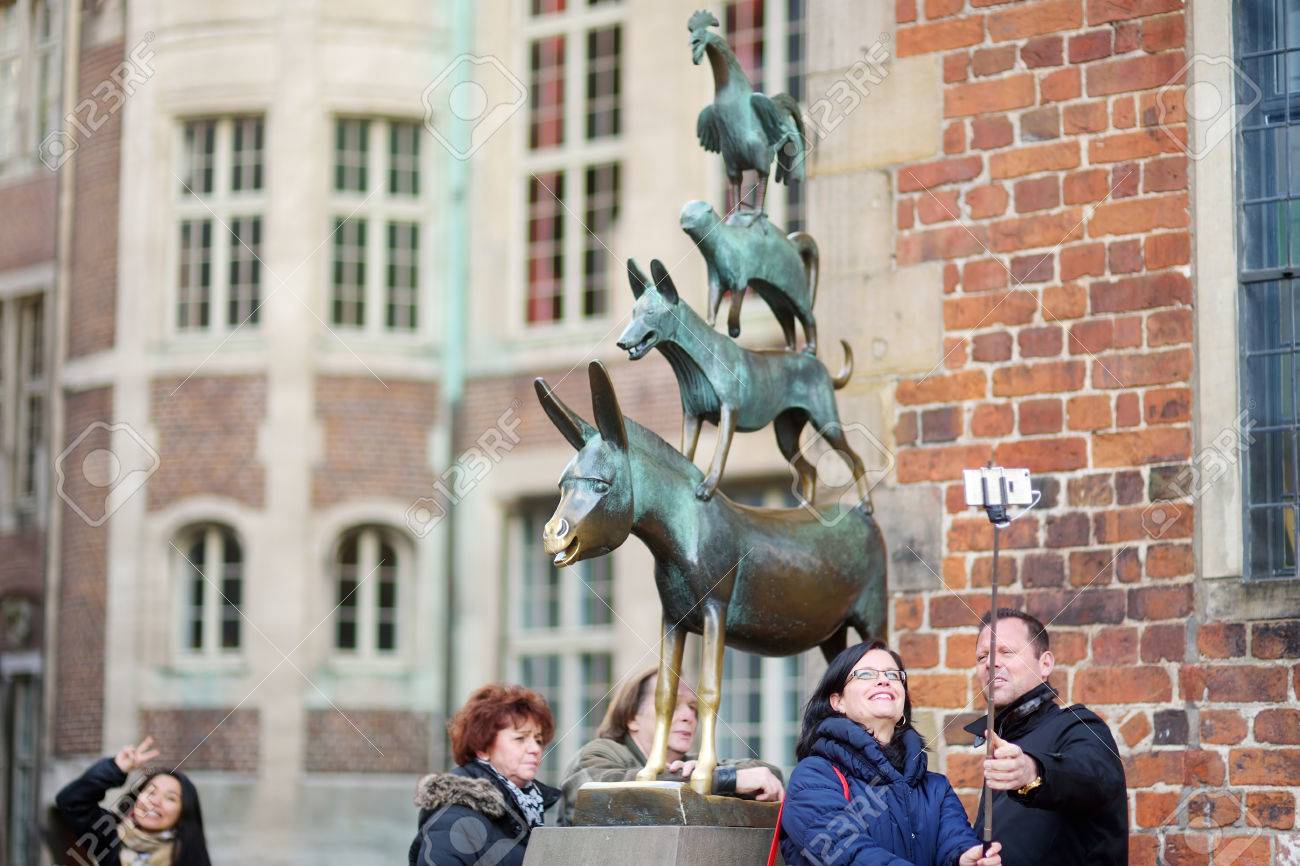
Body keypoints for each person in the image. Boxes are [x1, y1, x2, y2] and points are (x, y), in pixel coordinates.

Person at [778, 641, 1001, 866]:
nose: (884, 680)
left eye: (893, 675)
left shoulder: (936, 788)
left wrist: (965, 859)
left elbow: (955, 842)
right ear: (838, 702)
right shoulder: (814, 777)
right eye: (865, 674)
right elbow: (848, 854)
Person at [963, 608, 1127, 866]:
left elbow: (1095, 777)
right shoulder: (1002, 737)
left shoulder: (1078, 725)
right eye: (982, 656)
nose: (990, 663)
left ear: (1045, 664)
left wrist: (1032, 772)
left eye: (1007, 652)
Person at [559, 666, 785, 823]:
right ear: (631, 717)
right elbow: (601, 796)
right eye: (673, 704)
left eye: (693, 708)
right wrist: (724, 779)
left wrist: (721, 776)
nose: (689, 716)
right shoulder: (600, 753)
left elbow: (767, 776)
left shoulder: (686, 763)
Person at [409, 683, 561, 866]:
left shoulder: (533, 811)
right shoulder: (454, 818)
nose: (535, 749)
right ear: (482, 748)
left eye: (538, 740)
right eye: (520, 738)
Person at [55, 735, 213, 866]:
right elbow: (71, 802)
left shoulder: (189, 856)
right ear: (136, 798)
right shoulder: (111, 839)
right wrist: (115, 768)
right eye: (151, 792)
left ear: (183, 812)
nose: (156, 802)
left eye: (170, 798)